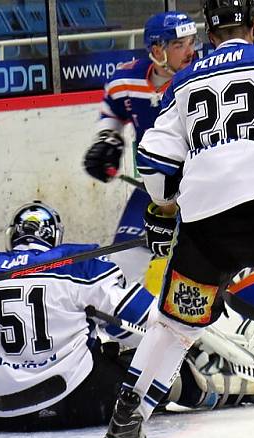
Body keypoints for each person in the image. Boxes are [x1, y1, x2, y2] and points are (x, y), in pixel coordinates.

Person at [101, 0, 254, 438]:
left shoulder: (184, 80)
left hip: (206, 219)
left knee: (176, 324)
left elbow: (156, 164)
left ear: (210, 32)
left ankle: (127, 418)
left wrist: (163, 213)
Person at [0, 202, 254, 431]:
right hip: (79, 403)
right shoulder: (80, 263)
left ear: (13, 239)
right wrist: (190, 326)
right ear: (53, 237)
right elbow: (142, 325)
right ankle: (221, 391)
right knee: (144, 364)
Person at [83, 11, 198, 287]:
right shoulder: (126, 80)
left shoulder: (201, 77)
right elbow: (113, 110)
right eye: (179, 45)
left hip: (200, 186)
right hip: (153, 188)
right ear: (157, 50)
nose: (190, 52)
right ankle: (135, 325)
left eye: (192, 42)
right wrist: (107, 141)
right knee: (123, 263)